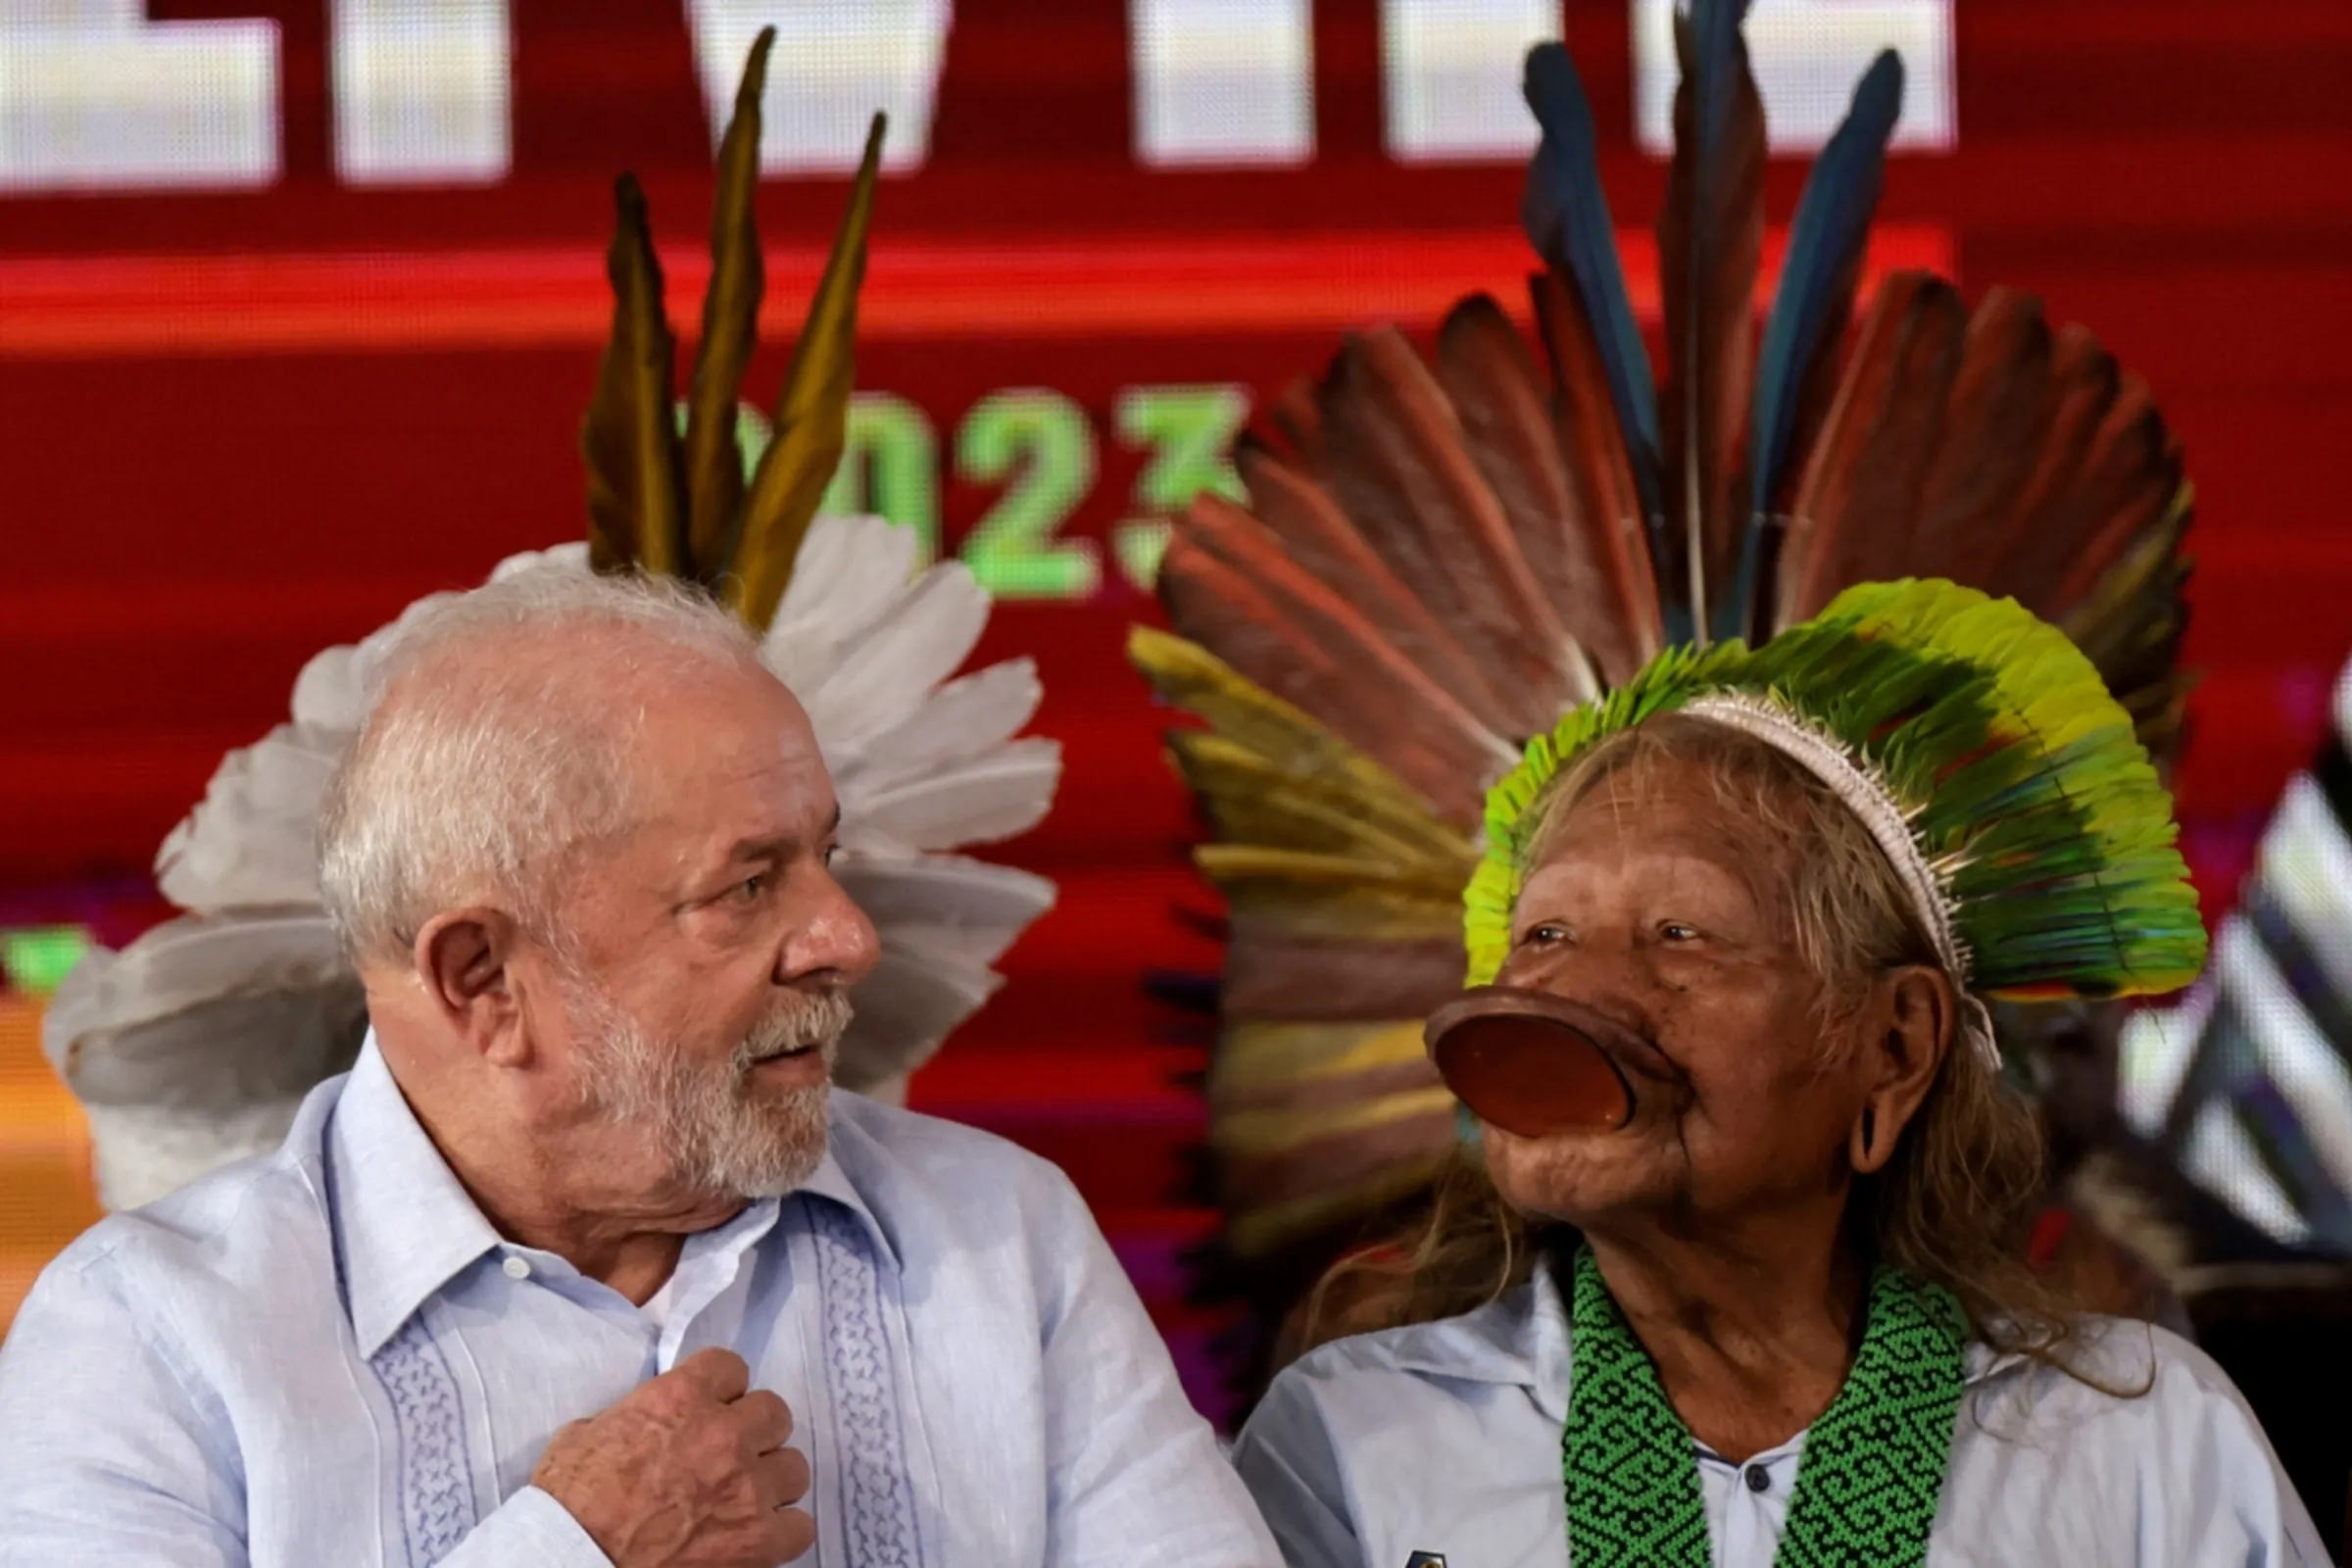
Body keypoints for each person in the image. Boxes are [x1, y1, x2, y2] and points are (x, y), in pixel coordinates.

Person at [0, 567, 1279, 1568]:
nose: (849, 938)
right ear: (483, 983)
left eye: (826, 856)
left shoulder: (1002, 1238)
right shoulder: (152, 1339)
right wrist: (575, 1551)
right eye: (746, 885)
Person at [1227, 579, 2327, 1566]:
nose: (1569, 998)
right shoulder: (1351, 1439)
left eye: (1678, 932)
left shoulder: (2142, 1436)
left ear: (1892, 1046)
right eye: (1547, 935)